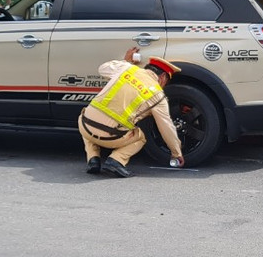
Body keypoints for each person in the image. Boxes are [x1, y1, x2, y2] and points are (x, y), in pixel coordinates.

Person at [77, 48, 184, 178]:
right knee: (140, 137)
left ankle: (93, 159)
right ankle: (116, 160)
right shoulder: (157, 95)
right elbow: (166, 127)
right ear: (162, 77)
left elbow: (102, 68)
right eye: (166, 82)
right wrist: (176, 153)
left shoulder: (126, 68)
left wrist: (126, 61)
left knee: (88, 117)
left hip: (85, 126)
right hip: (111, 136)